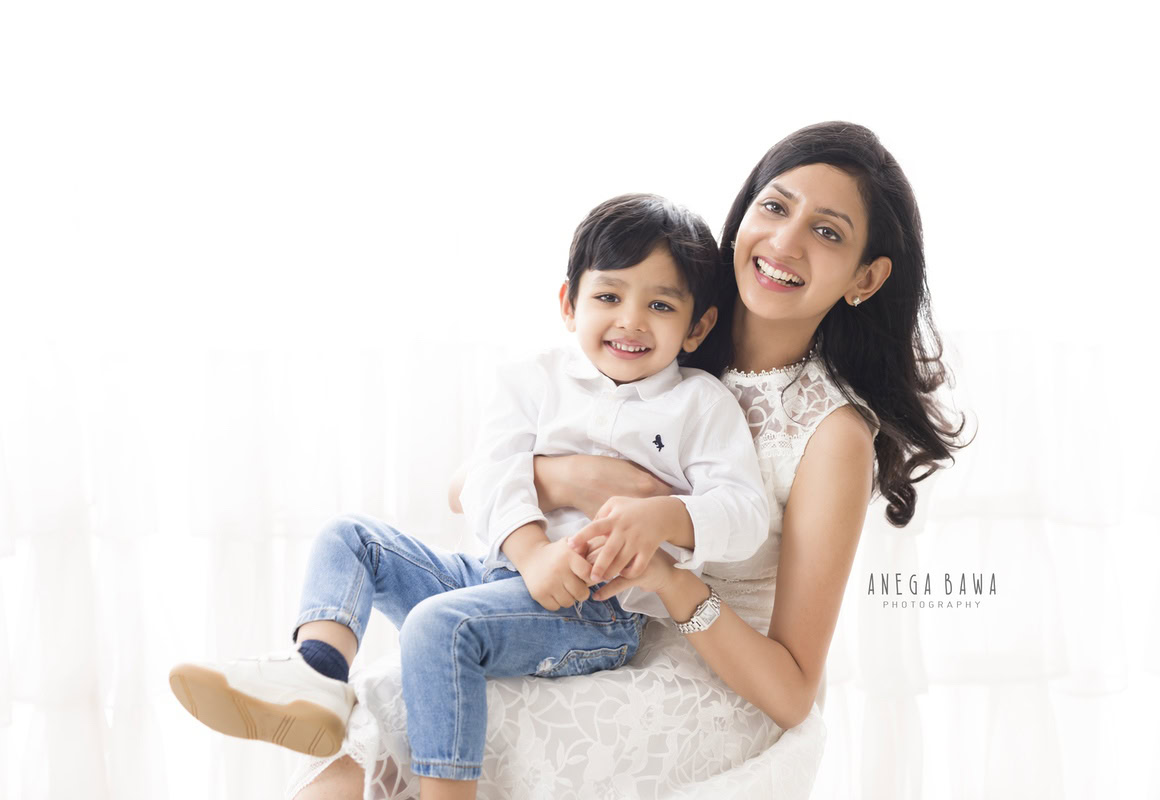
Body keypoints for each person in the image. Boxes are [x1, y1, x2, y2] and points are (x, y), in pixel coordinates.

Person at [285, 120, 967, 799]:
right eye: (776, 206)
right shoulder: (660, 323)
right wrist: (572, 477)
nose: (786, 241)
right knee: (362, 734)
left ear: (866, 276)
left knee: (418, 708)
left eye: (828, 231)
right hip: (557, 589)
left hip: (701, 677)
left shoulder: (832, 434)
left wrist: (672, 581)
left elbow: (792, 693)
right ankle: (309, 679)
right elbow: (468, 486)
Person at [169, 193, 773, 800]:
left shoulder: (700, 405)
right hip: (497, 570)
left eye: (660, 305)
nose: (631, 320)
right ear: (569, 303)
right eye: (609, 296)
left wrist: (667, 514)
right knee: (349, 536)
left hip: (594, 611)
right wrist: (532, 551)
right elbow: (491, 471)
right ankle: (317, 674)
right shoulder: (534, 377)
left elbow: (747, 514)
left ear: (698, 325)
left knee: (437, 626)